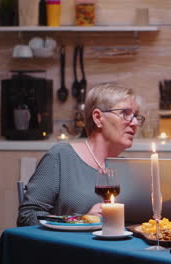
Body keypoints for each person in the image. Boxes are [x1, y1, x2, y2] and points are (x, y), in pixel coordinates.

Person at [17, 82, 145, 226]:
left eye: (136, 116)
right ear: (98, 117)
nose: (135, 123)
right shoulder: (61, 157)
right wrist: (82, 220)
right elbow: (27, 216)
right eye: (125, 114)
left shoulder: (126, 169)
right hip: (72, 248)